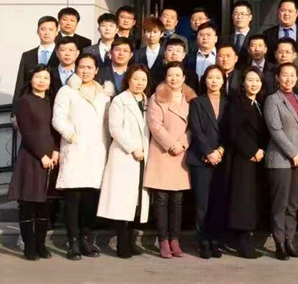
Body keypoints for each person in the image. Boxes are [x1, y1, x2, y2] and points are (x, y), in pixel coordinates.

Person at [52, 52, 112, 260]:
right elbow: (58, 119)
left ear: (96, 70)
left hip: (97, 153)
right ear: (76, 69)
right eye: (81, 67)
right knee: (73, 199)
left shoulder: (104, 95)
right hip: (75, 150)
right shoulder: (67, 91)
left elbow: (107, 125)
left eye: (89, 67)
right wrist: (72, 136)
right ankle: (73, 242)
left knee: (90, 200)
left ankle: (86, 239)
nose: (85, 71)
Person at [97, 64, 151, 258]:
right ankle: (122, 244)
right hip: (125, 156)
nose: (139, 83)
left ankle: (130, 241)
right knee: (122, 203)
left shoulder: (148, 101)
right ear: (128, 79)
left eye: (143, 79)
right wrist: (133, 148)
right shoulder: (120, 100)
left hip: (143, 157)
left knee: (136, 204)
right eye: (136, 78)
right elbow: (115, 129)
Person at [144, 61, 197, 259]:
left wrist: (182, 143)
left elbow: (194, 126)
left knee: (177, 200)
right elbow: (155, 125)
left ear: (184, 78)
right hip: (162, 152)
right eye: (170, 75)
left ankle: (175, 239)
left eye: (177, 75)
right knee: (161, 199)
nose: (174, 79)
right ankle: (163, 240)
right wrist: (171, 144)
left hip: (181, 153)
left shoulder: (191, 99)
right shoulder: (157, 97)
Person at [8, 64, 59, 261]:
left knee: (45, 206)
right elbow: (27, 132)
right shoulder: (24, 102)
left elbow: (55, 130)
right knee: (28, 204)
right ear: (31, 79)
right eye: (38, 77)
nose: (42, 81)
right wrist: (41, 155)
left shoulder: (51, 101)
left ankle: (41, 244)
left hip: (51, 158)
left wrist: (55, 151)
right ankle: (29, 246)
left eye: (46, 78)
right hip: (31, 158)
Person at [264, 63, 298, 260]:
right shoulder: (272, 100)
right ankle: (279, 243)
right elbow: (275, 130)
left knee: (293, 204)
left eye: (292, 75)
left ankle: (290, 241)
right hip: (280, 160)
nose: (288, 79)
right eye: (285, 75)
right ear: (278, 78)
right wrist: (293, 154)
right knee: (280, 204)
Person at [226, 67, 270, 259]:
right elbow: (234, 131)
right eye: (250, 80)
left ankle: (248, 237)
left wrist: (261, 151)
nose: (254, 84)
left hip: (258, 158)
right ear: (243, 83)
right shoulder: (237, 103)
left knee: (253, 199)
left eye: (257, 80)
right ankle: (242, 242)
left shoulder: (259, 103)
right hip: (242, 158)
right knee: (243, 199)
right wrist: (252, 151)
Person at [187, 65, 230, 259]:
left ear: (223, 81)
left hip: (222, 160)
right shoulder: (197, 102)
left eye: (218, 78)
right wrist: (208, 152)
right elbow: (196, 129)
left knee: (218, 203)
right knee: (202, 204)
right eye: (210, 77)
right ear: (204, 80)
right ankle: (203, 241)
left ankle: (215, 241)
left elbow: (230, 130)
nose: (214, 81)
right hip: (201, 160)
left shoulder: (228, 103)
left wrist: (220, 150)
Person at [13, 16, 60, 115]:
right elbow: (20, 82)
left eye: (51, 29)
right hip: (30, 106)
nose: (47, 33)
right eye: (43, 29)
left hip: (56, 105)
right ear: (37, 31)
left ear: (56, 32)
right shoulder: (27, 55)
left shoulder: (62, 55)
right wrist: (15, 110)